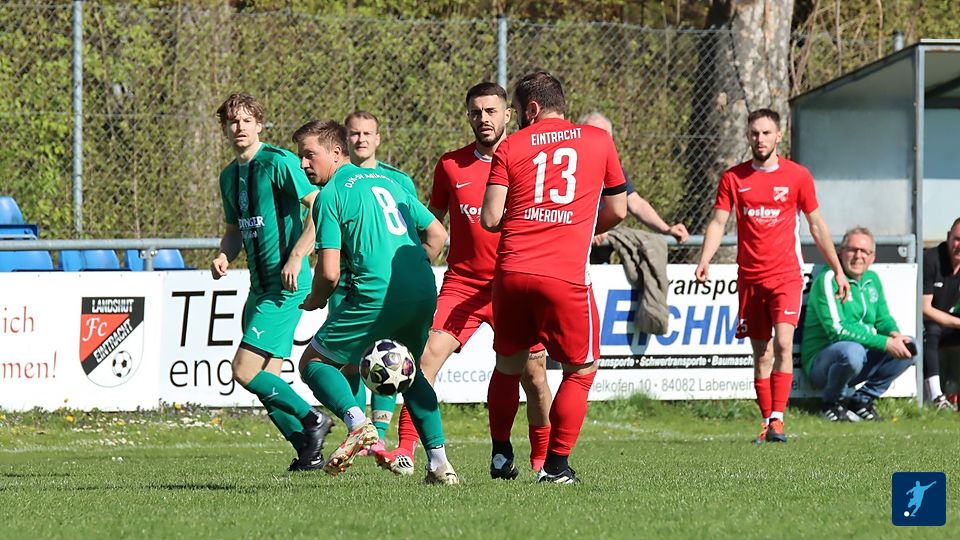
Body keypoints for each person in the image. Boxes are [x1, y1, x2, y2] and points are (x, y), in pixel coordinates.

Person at [374, 82, 554, 479]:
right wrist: (414, 261)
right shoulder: (450, 165)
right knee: (423, 360)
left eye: (492, 111)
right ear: (468, 116)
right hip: (463, 283)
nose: (484, 118)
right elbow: (432, 223)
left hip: (514, 284)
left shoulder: (530, 160)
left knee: (534, 376)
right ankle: (407, 449)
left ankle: (542, 461)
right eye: (476, 112)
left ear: (509, 114)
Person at [480, 71, 628, 484]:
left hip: (512, 272)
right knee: (580, 369)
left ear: (531, 109)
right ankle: (557, 466)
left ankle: (501, 453)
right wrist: (578, 226)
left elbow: (490, 218)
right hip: (565, 276)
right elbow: (618, 210)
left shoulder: (511, 145)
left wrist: (528, 217)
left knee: (507, 366)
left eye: (519, 112)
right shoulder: (598, 140)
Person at [293, 119, 459, 485]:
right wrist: (413, 269)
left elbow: (329, 273)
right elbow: (438, 233)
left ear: (336, 153)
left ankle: (358, 424)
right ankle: (439, 464)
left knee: (314, 362)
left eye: (309, 155)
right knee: (411, 374)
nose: (303, 164)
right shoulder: (389, 182)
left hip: (376, 293)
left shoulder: (331, 195)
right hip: (421, 288)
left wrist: (315, 300)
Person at [694, 108, 850, 444]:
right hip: (750, 279)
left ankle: (778, 419)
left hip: (786, 276)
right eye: (754, 133)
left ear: (779, 136)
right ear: (748, 136)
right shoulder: (733, 178)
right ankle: (766, 423)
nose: (760, 139)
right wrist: (705, 258)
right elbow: (718, 222)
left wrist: (838, 269)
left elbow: (817, 225)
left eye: (766, 133)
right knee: (762, 353)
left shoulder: (797, 176)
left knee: (783, 343)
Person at [210, 93, 333, 471]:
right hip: (259, 288)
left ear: (259, 125)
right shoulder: (228, 177)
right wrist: (223, 255)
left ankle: (313, 418)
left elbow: (319, 206)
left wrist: (298, 256)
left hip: (286, 288)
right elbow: (234, 231)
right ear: (224, 128)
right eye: (233, 121)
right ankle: (308, 452)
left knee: (243, 371)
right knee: (267, 380)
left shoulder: (277, 162)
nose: (239, 127)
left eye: (247, 120)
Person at [340, 110, 418, 448]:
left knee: (387, 355)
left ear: (378, 138)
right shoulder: (336, 180)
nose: (361, 139)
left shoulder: (398, 180)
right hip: (345, 282)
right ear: (345, 139)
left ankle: (380, 437)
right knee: (348, 360)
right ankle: (358, 431)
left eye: (367, 133)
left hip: (387, 287)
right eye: (354, 133)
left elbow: (417, 230)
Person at [801, 227, 916, 421]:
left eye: (865, 252)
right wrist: (885, 343)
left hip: (858, 358)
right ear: (840, 253)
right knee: (852, 351)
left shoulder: (872, 279)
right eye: (853, 250)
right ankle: (831, 404)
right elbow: (837, 330)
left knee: (912, 347)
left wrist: (894, 335)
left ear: (873, 257)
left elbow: (882, 319)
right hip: (823, 362)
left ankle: (862, 401)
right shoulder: (828, 279)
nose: (858, 256)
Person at [579, 112, 689, 264]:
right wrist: (590, 229)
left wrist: (666, 229)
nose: (596, 141)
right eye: (591, 134)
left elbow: (636, 204)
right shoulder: (568, 167)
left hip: (599, 258)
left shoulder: (613, 170)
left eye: (602, 135)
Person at [921, 217, 960, 409]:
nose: (959, 246)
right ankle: (937, 398)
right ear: (948, 237)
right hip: (925, 326)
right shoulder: (931, 260)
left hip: (950, 325)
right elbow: (924, 309)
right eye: (957, 239)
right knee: (932, 330)